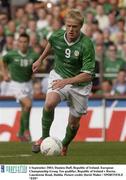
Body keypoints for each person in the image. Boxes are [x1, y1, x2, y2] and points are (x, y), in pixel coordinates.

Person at [32, 9, 95, 156]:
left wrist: (66, 82)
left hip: (80, 85)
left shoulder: (86, 44)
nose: (71, 29)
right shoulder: (57, 35)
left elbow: (88, 75)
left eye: (75, 27)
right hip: (59, 75)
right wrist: (40, 59)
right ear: (65, 25)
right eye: (68, 26)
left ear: (81, 27)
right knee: (49, 103)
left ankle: (65, 144)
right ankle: (44, 136)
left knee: (73, 123)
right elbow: (51, 44)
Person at [1, 33, 39, 141]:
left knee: (26, 108)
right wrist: (5, 74)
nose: (22, 44)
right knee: (28, 104)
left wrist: (33, 73)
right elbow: (2, 61)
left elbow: (39, 65)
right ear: (17, 43)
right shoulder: (11, 55)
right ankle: (27, 131)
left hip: (28, 84)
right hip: (16, 84)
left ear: (28, 43)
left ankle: (20, 133)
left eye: (25, 42)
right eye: (20, 42)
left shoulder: (33, 55)